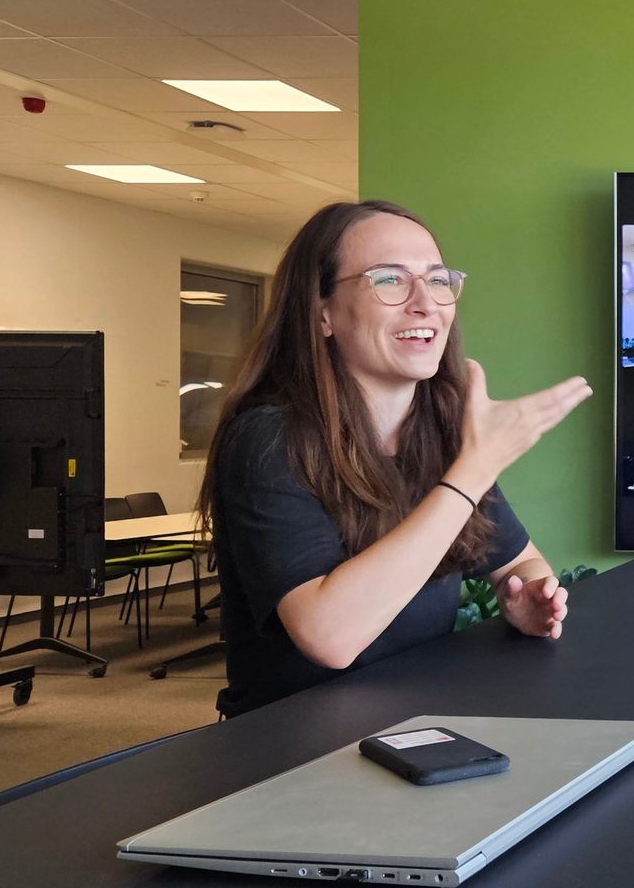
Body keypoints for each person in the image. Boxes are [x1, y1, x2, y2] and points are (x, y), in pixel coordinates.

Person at [198, 199, 592, 717]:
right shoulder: (268, 438)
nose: (426, 303)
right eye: (389, 280)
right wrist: (474, 468)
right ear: (322, 314)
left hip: (415, 724)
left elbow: (518, 559)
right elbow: (330, 637)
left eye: (437, 280)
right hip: (292, 751)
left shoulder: (438, 432)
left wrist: (528, 598)